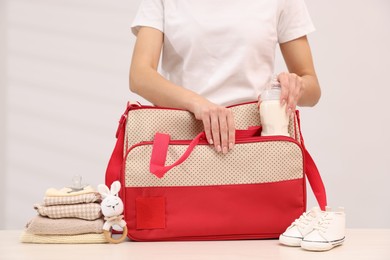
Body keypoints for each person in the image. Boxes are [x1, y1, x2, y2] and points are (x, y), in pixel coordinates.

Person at [129, 0, 321, 154]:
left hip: (257, 144)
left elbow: (312, 88)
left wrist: (296, 85)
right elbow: (140, 75)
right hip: (183, 143)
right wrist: (199, 104)